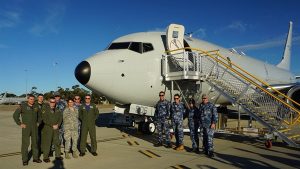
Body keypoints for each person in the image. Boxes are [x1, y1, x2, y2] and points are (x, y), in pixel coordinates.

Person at [13, 94, 42, 165]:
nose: (32, 100)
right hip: (26, 128)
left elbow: (40, 116)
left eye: (33, 99)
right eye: (30, 99)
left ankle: (35, 158)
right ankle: (25, 159)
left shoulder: (36, 106)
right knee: (25, 144)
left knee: (35, 143)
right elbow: (15, 115)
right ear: (28, 99)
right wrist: (20, 123)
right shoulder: (22, 106)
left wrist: (38, 122)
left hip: (35, 128)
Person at [41, 97, 63, 162]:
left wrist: (58, 125)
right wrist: (52, 125)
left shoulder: (58, 110)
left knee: (57, 142)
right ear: (49, 102)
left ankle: (58, 155)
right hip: (48, 129)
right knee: (47, 143)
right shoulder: (45, 110)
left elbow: (60, 118)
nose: (52, 103)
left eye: (54, 102)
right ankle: (45, 157)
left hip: (56, 128)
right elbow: (44, 119)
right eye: (51, 102)